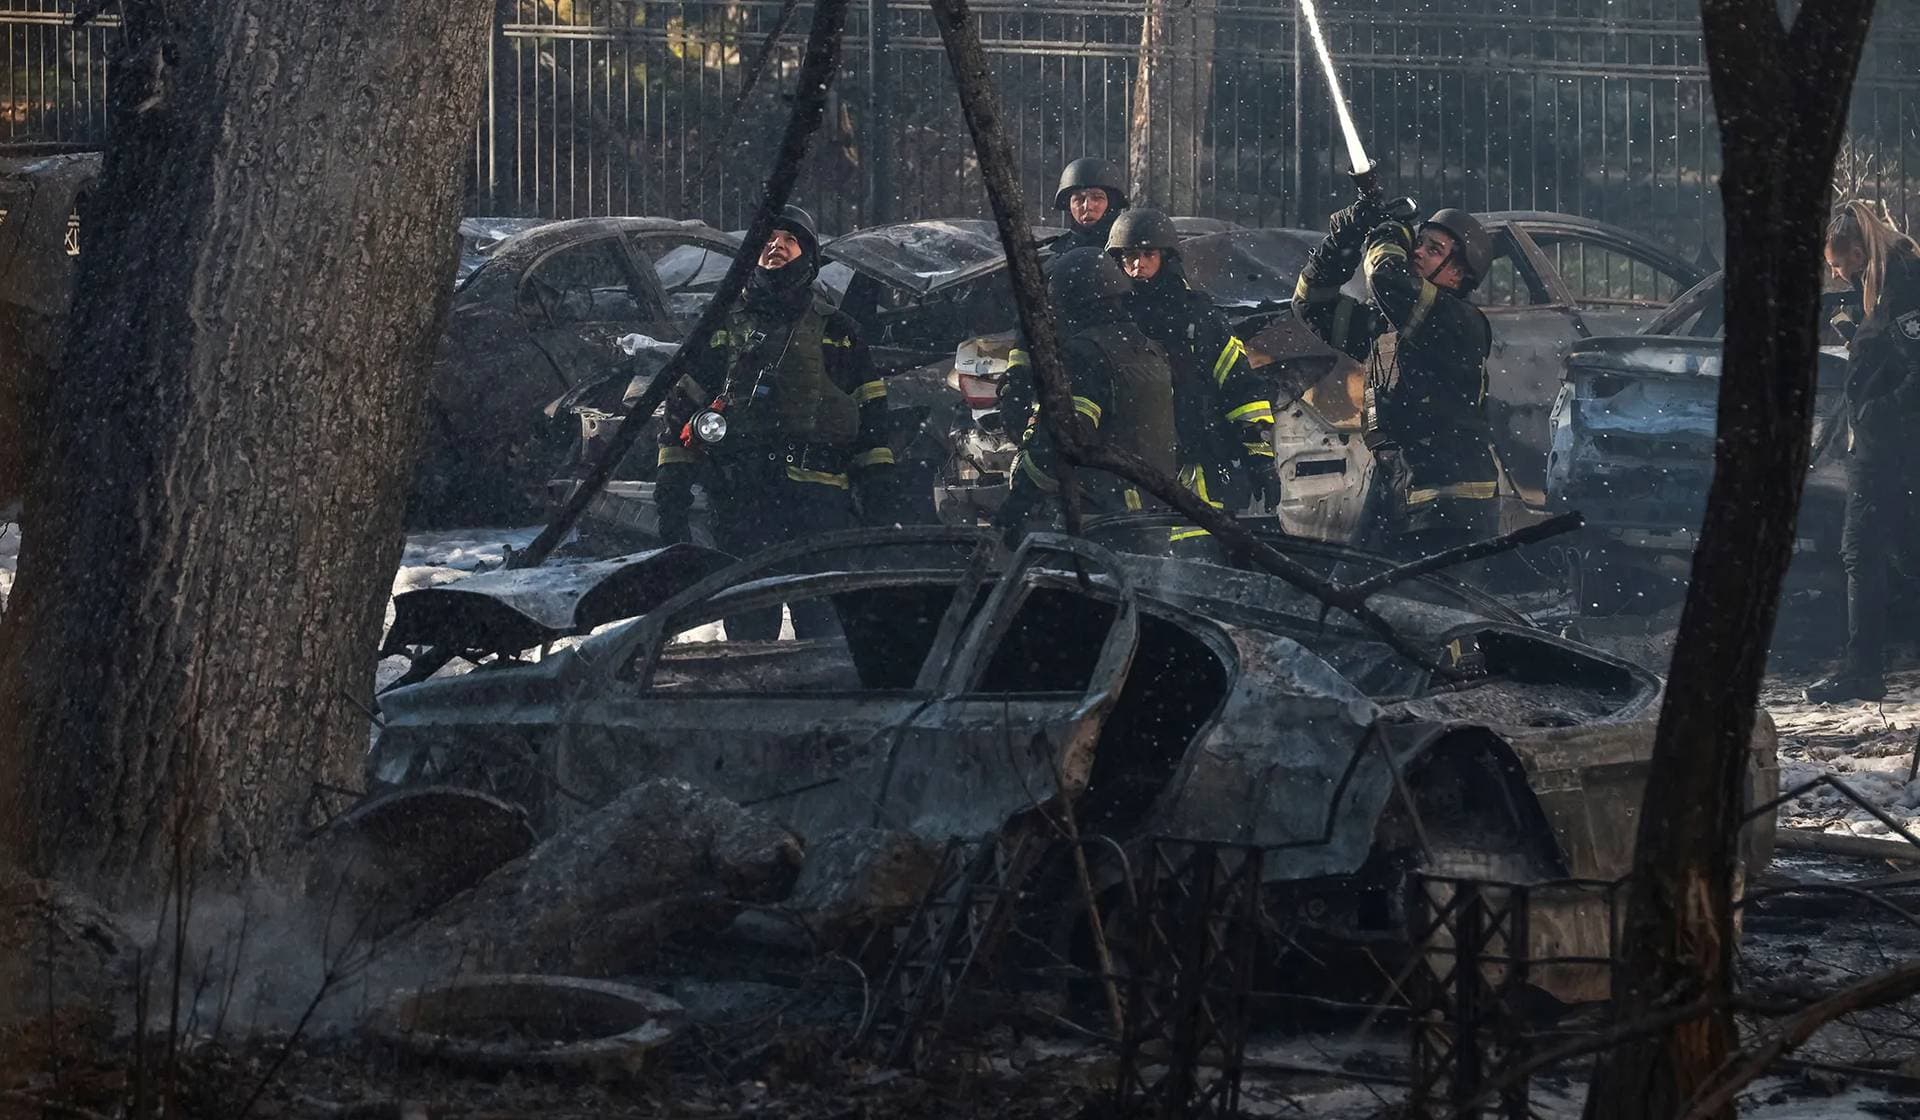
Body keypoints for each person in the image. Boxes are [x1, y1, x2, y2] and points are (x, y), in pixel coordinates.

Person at [655, 205, 898, 639]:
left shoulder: (839, 331)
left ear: (808, 256)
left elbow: (872, 416)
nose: (775, 245)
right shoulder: (718, 327)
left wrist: (878, 493)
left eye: (789, 239)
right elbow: (680, 414)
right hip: (743, 505)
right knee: (749, 637)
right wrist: (671, 497)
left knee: (825, 637)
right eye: (767, 239)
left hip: (820, 511)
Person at [1292, 201, 1501, 557]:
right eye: (1418, 243)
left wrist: (1390, 229)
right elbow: (1310, 304)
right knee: (1351, 595)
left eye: (1433, 250)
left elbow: (1385, 276)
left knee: (1420, 607)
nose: (1417, 252)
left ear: (1457, 275)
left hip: (1450, 508)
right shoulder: (1390, 326)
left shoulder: (1460, 322)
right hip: (1398, 485)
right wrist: (1344, 239)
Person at [1105, 207, 1277, 547]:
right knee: (1139, 562)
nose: (1137, 265)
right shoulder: (1110, 318)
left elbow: (1240, 387)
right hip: (1128, 466)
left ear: (1166, 257)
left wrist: (1260, 457)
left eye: (1147, 254)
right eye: (1129, 258)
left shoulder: (1198, 315)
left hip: (1196, 456)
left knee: (1197, 557)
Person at [1806, 201, 1920, 703]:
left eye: (1837, 265)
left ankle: (1863, 670)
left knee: (1863, 552)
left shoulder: (1903, 290)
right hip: (1888, 445)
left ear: (1857, 251)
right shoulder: (1886, 287)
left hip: (1890, 447)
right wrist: (1857, 337)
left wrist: (1877, 411)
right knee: (1896, 553)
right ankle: (1865, 665)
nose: (1837, 274)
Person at [996, 248, 1176, 539]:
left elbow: (1066, 441)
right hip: (1153, 514)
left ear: (1071, 304)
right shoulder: (1149, 350)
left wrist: (1018, 501)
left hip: (1100, 519)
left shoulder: (1083, 354)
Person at [1052, 158, 1130, 252]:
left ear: (1111, 204)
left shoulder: (1128, 252)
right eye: (1079, 199)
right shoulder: (1056, 251)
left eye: (1097, 198)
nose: (1087, 206)